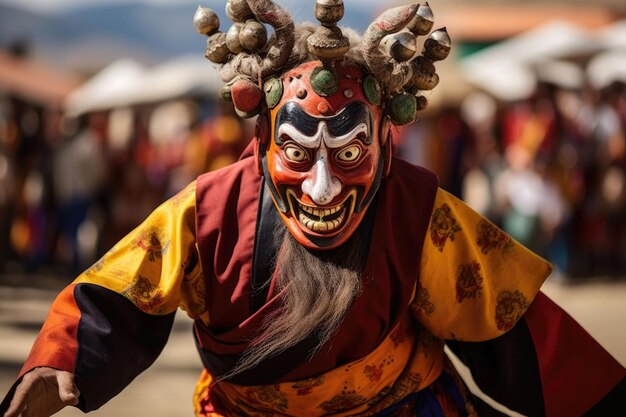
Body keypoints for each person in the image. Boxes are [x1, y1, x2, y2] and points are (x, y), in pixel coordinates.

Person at [2, 1, 625, 416]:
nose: (322, 187)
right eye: (297, 153)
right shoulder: (210, 209)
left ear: (385, 142)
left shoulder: (418, 211)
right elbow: (116, 293)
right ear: (262, 142)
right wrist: (55, 360)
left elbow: (512, 327)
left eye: (350, 151)